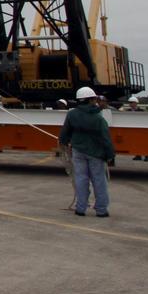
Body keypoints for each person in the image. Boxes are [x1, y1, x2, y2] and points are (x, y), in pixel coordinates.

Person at [59, 86, 115, 217]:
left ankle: (81, 208)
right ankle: (101, 210)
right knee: (99, 180)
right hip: (96, 153)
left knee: (80, 179)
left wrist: (64, 143)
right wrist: (110, 155)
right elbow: (106, 139)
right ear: (91, 100)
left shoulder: (72, 114)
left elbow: (64, 133)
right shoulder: (99, 118)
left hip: (78, 151)